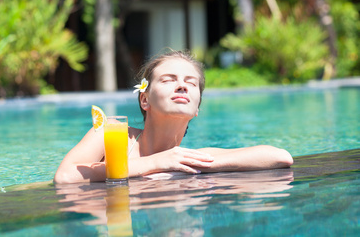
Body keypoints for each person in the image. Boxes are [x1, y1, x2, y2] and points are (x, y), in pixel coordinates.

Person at [54, 50, 293, 184]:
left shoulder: (185, 157)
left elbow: (280, 157)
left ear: (197, 108)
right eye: (169, 80)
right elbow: (65, 176)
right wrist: (156, 163)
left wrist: (190, 163)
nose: (182, 86)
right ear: (144, 99)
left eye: (191, 83)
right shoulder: (112, 132)